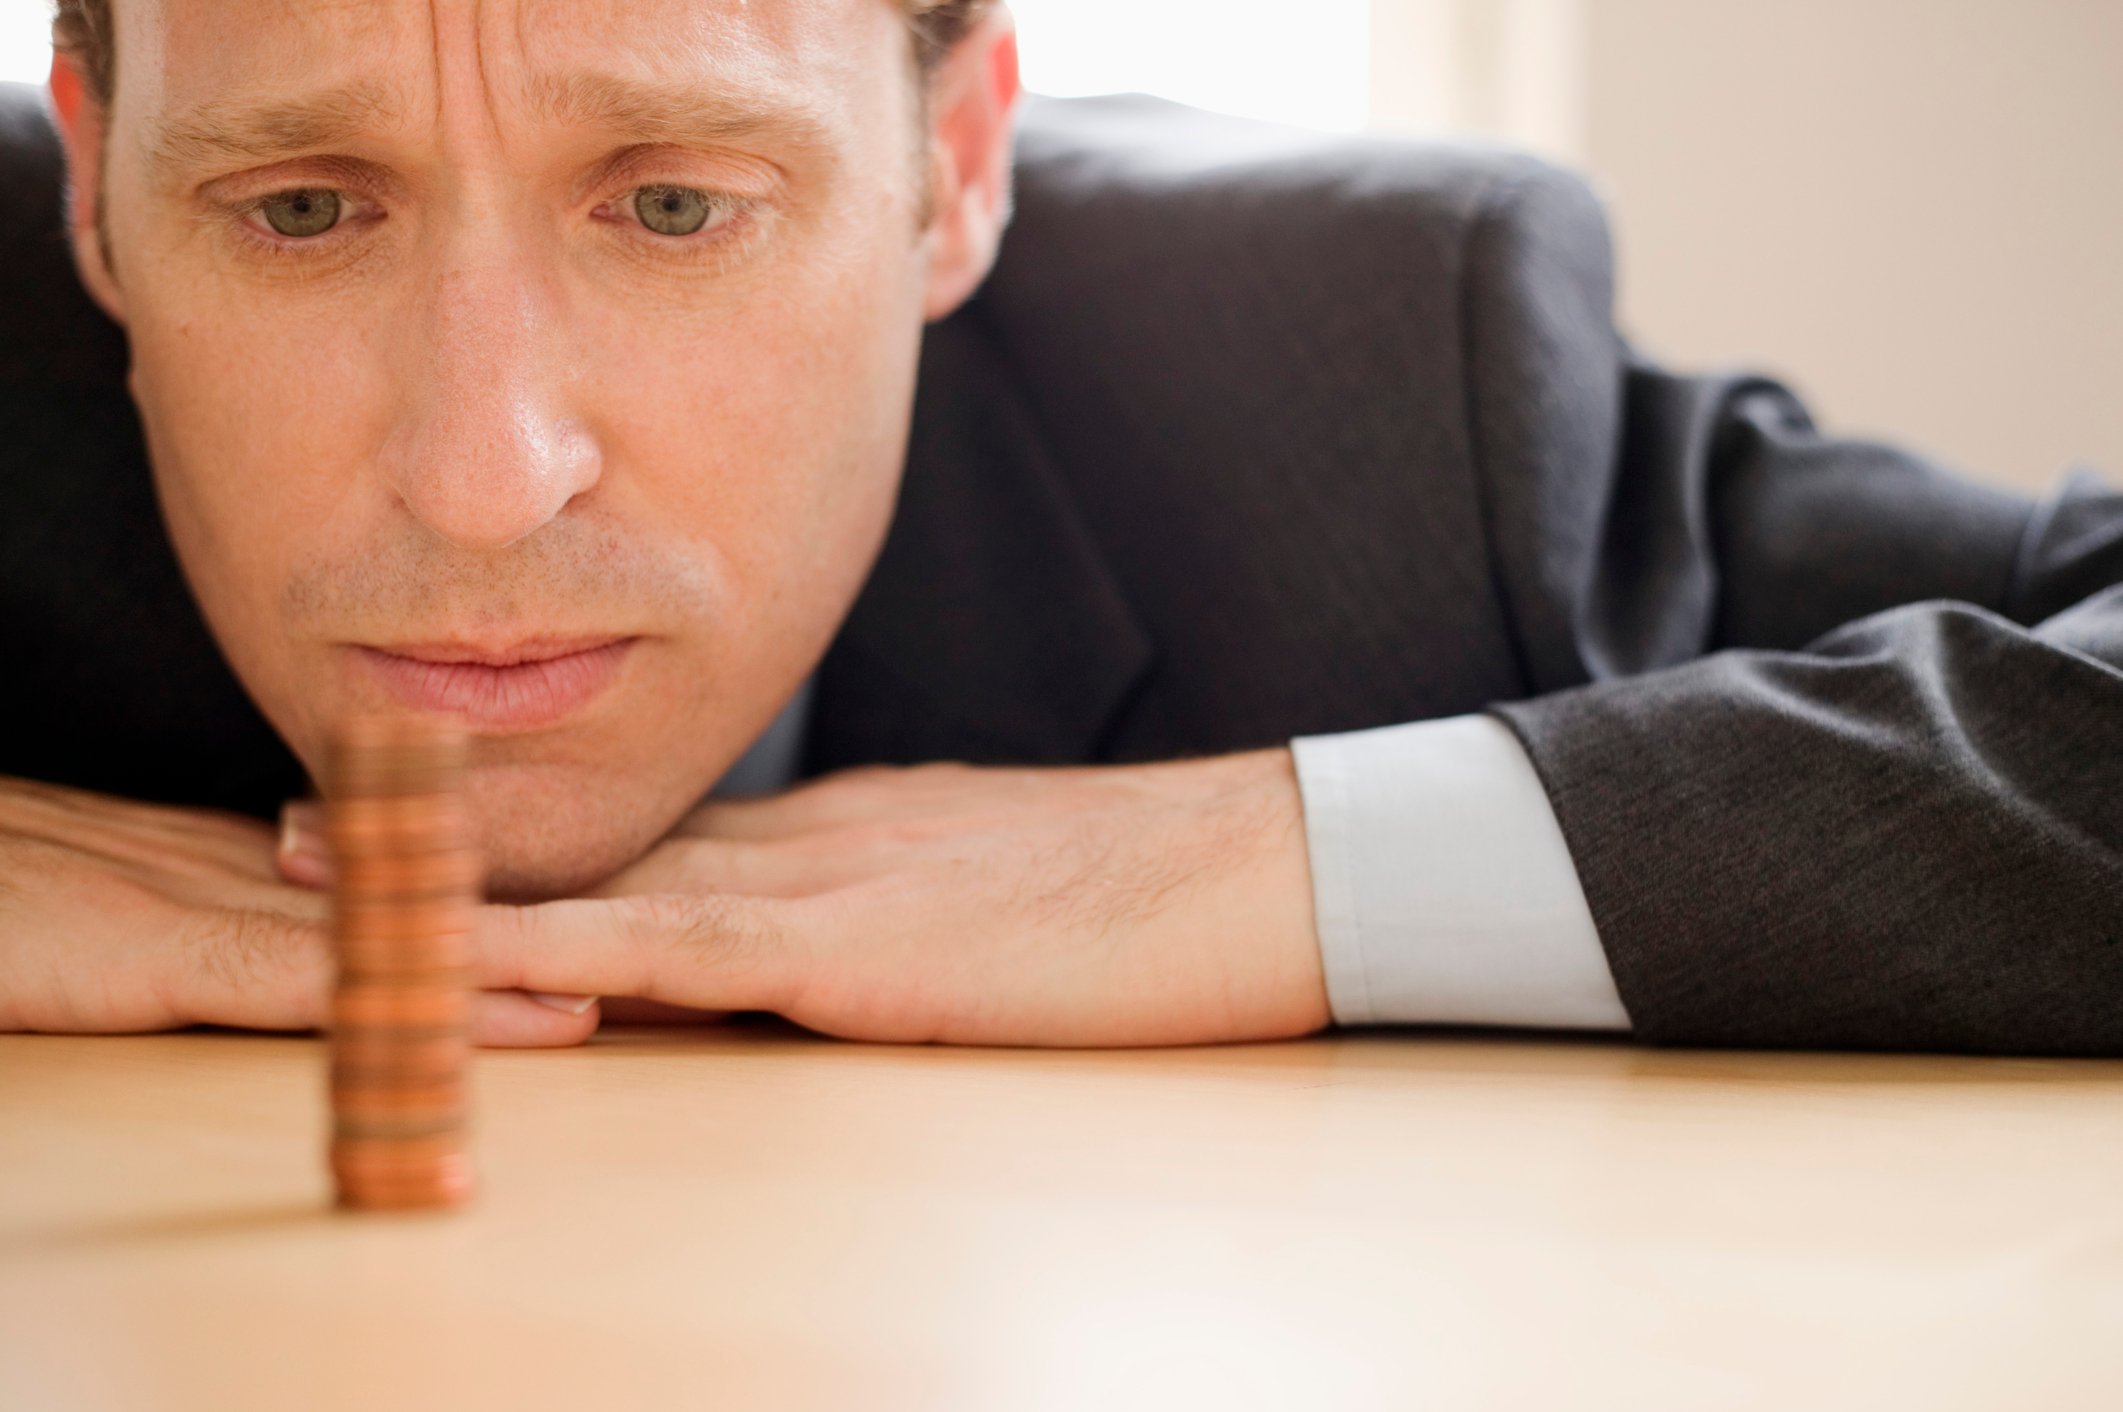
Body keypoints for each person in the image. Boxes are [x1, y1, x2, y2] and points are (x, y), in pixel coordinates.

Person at [2, 0, 2118, 1055]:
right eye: (298, 208)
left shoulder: (1385, 383)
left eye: (672, 204)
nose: (482, 475)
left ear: (953, 168)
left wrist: (1272, 861)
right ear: (93, 185)